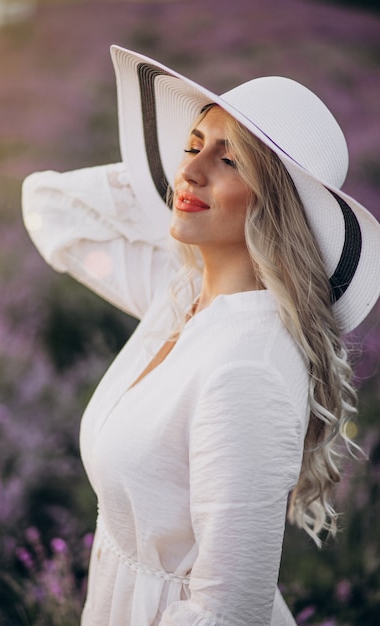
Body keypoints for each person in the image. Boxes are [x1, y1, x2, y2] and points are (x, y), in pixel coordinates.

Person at [22, 45, 380, 626]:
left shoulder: (248, 369)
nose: (189, 169)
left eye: (231, 160)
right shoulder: (183, 296)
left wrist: (190, 190)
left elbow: (226, 614)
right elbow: (51, 210)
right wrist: (178, 187)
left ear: (278, 201)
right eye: (191, 145)